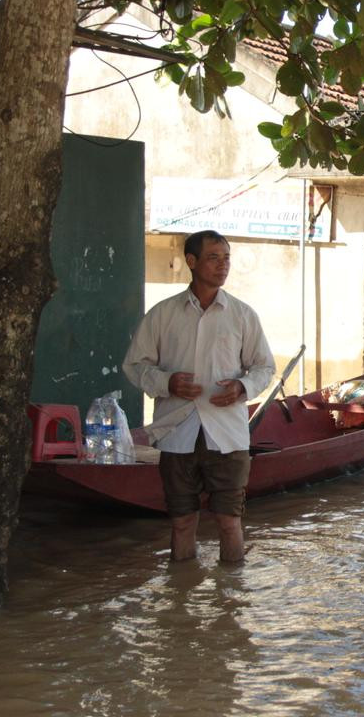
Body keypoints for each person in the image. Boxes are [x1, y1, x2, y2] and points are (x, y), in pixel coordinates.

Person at [123, 230, 275, 563]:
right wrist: (167, 384)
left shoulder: (242, 315)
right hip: (177, 432)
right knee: (181, 522)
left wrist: (242, 387)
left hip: (229, 434)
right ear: (191, 262)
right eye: (213, 257)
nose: (223, 266)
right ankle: (181, 599)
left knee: (229, 521)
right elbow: (135, 365)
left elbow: (264, 367)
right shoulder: (163, 314)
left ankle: (231, 602)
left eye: (226, 258)